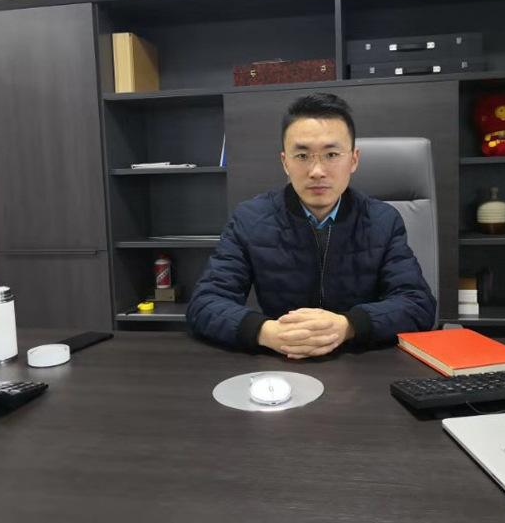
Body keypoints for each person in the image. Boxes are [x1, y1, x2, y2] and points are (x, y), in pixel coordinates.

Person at [186, 93, 436, 358]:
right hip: (281, 363)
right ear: (285, 162)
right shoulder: (250, 219)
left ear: (353, 160)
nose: (317, 171)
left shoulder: (382, 220)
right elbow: (204, 304)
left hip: (359, 362)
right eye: (303, 155)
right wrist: (266, 332)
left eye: (331, 154)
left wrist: (348, 326)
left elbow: (417, 304)